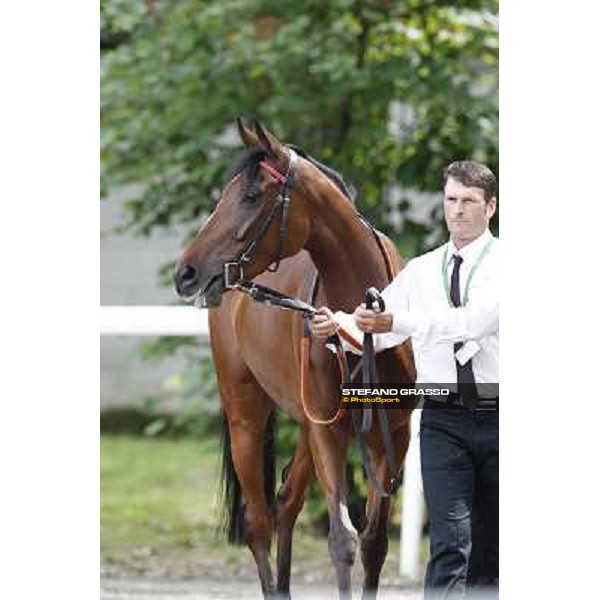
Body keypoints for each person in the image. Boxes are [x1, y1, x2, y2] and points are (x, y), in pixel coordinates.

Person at [311, 160, 499, 597]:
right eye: (451, 200)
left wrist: (398, 320)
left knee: (492, 548)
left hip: (500, 416)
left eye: (469, 201)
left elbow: (474, 322)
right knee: (450, 543)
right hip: (442, 420)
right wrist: (337, 326)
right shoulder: (420, 270)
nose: (458, 211)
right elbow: (375, 327)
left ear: (490, 207)